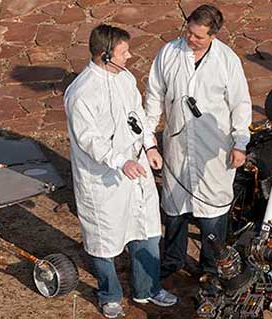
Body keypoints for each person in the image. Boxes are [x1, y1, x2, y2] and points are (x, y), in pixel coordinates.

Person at [64, 24, 178, 318]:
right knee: (105, 240)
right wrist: (119, 161)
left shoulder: (125, 78)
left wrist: (150, 147)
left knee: (147, 230)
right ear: (105, 55)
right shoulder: (81, 93)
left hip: (135, 171)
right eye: (124, 52)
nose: (130, 56)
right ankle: (109, 293)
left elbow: (136, 118)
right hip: (103, 180)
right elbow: (89, 140)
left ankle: (147, 289)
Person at [144, 4, 252, 280]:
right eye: (189, 32)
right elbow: (154, 97)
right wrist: (149, 140)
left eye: (199, 37)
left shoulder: (227, 61)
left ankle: (210, 264)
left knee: (212, 210)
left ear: (213, 36)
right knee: (175, 206)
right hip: (177, 145)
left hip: (213, 149)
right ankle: (173, 260)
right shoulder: (168, 53)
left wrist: (240, 142)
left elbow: (240, 104)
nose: (191, 39)